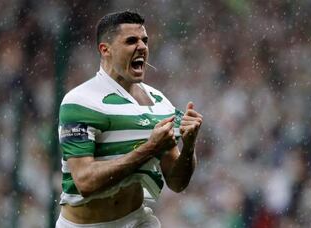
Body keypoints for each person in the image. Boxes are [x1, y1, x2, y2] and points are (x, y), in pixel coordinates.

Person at [56, 10, 203, 228]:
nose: (142, 47)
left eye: (144, 40)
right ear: (105, 49)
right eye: (131, 41)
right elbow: (85, 182)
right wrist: (149, 149)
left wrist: (190, 145)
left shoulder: (159, 103)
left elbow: (177, 182)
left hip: (137, 221)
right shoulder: (80, 101)